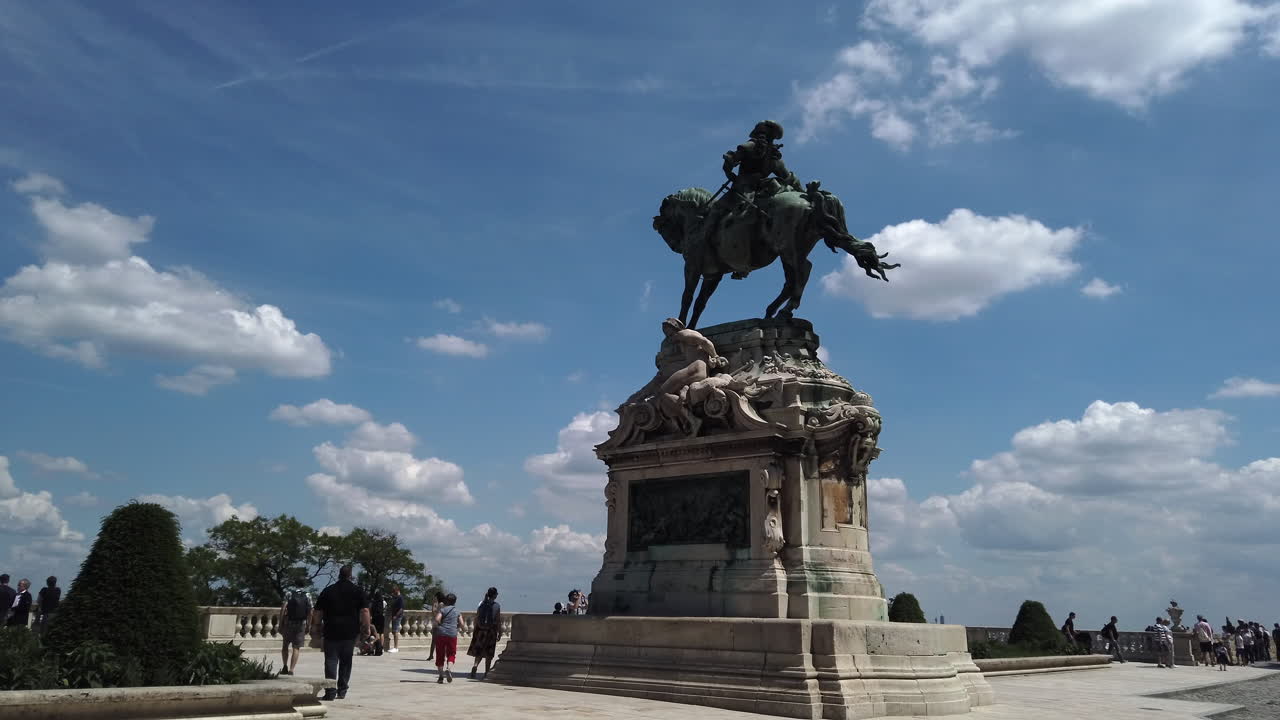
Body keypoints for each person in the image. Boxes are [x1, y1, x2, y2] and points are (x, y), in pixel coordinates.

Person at [312, 565, 370, 701]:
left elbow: (318, 612)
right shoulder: (357, 591)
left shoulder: (328, 590)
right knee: (346, 661)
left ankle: (330, 691)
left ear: (339, 574)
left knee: (330, 661)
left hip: (331, 629)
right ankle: (342, 690)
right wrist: (366, 628)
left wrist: (316, 626)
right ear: (350, 575)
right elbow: (365, 611)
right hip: (350, 631)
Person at [467, 587, 502, 679]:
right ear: (494, 595)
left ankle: (475, 666)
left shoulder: (481, 604)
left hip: (480, 630)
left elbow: (477, 617)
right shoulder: (497, 606)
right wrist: (500, 632)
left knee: (479, 651)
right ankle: (486, 672)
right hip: (491, 631)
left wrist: (476, 629)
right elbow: (498, 620)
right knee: (489, 653)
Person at [279, 588, 311, 675]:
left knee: (285, 645)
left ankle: (285, 666)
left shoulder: (289, 593)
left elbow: (283, 608)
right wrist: (309, 625)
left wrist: (280, 623)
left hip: (289, 623)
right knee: (296, 648)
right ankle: (291, 670)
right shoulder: (307, 594)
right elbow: (310, 611)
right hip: (301, 624)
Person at [434, 593, 460, 684]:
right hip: (452, 634)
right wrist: (457, 627)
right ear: (455, 602)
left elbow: (437, 619)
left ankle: (441, 676)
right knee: (451, 653)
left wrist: (439, 625)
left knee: (440, 654)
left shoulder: (443, 610)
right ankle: (448, 669)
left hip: (441, 633)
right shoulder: (457, 611)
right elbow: (462, 623)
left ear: (446, 601)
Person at [426, 591, 445, 661]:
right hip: (441, 624)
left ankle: (431, 655)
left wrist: (434, 605)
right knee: (441, 641)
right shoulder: (444, 604)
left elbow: (434, 613)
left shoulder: (438, 604)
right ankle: (440, 655)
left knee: (434, 641)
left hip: (437, 624)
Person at [387, 586, 405, 653]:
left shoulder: (400, 598)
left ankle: (396, 647)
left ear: (397, 590)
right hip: (394, 616)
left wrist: (396, 616)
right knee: (394, 631)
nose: (393, 593)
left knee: (396, 631)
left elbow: (401, 609)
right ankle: (395, 647)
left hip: (397, 616)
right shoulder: (396, 597)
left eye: (394, 591)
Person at [369, 590, 386, 656]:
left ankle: (374, 647)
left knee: (376, 632)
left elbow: (370, 610)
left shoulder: (373, 602)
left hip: (375, 618)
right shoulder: (383, 602)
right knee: (382, 633)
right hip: (381, 617)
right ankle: (381, 647)